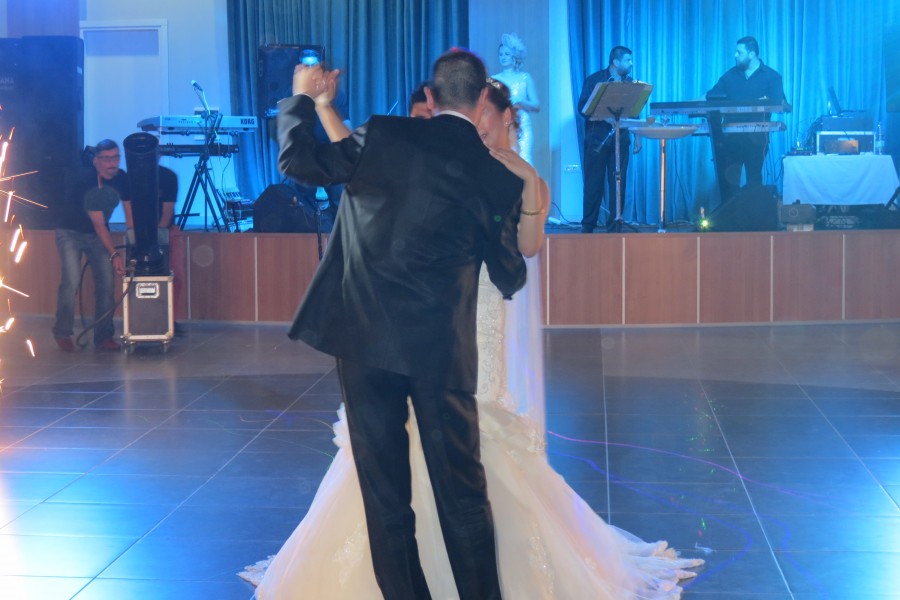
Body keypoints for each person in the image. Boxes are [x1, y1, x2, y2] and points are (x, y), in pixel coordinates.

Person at [245, 77, 703, 600]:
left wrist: (526, 188)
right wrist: (324, 107)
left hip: (466, 331)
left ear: (503, 116)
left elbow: (524, 252)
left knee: (465, 470)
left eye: (486, 117)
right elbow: (359, 163)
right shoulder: (438, 160)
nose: (475, 126)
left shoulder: (505, 176)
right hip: (426, 331)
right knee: (411, 472)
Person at [271, 49, 527, 600]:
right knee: (463, 497)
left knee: (386, 497)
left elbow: (300, 163)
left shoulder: (384, 135)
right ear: (484, 98)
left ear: (430, 98)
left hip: (364, 338)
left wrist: (302, 99)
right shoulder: (496, 177)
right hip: (441, 352)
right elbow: (510, 275)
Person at [52, 139, 130, 352]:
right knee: (71, 280)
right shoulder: (86, 181)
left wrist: (133, 235)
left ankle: (104, 336)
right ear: (96, 161)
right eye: (106, 159)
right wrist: (114, 254)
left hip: (96, 235)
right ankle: (62, 331)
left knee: (106, 282)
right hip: (71, 232)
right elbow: (99, 224)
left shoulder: (122, 178)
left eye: (116, 157)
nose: (112, 163)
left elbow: (129, 208)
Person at [706, 36, 786, 202]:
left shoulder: (772, 77)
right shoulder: (729, 76)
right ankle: (730, 217)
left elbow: (781, 104)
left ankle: (753, 216)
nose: (735, 55)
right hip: (731, 139)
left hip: (757, 140)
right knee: (730, 183)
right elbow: (710, 97)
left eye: (739, 52)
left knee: (754, 181)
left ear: (752, 54)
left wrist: (766, 103)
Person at [578, 46, 643, 233]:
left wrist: (637, 137)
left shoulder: (630, 84)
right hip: (597, 139)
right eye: (628, 60)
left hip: (621, 140)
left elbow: (634, 112)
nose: (631, 64)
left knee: (618, 183)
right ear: (615, 62)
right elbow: (583, 108)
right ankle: (588, 225)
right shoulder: (594, 80)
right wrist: (605, 117)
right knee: (593, 183)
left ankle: (615, 225)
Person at [490, 33, 540, 163]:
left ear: (514, 56)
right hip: (502, 126)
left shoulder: (525, 77)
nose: (503, 57)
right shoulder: (493, 80)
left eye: (507, 54)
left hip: (523, 125)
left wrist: (521, 102)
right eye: (501, 54)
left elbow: (536, 105)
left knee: (524, 160)